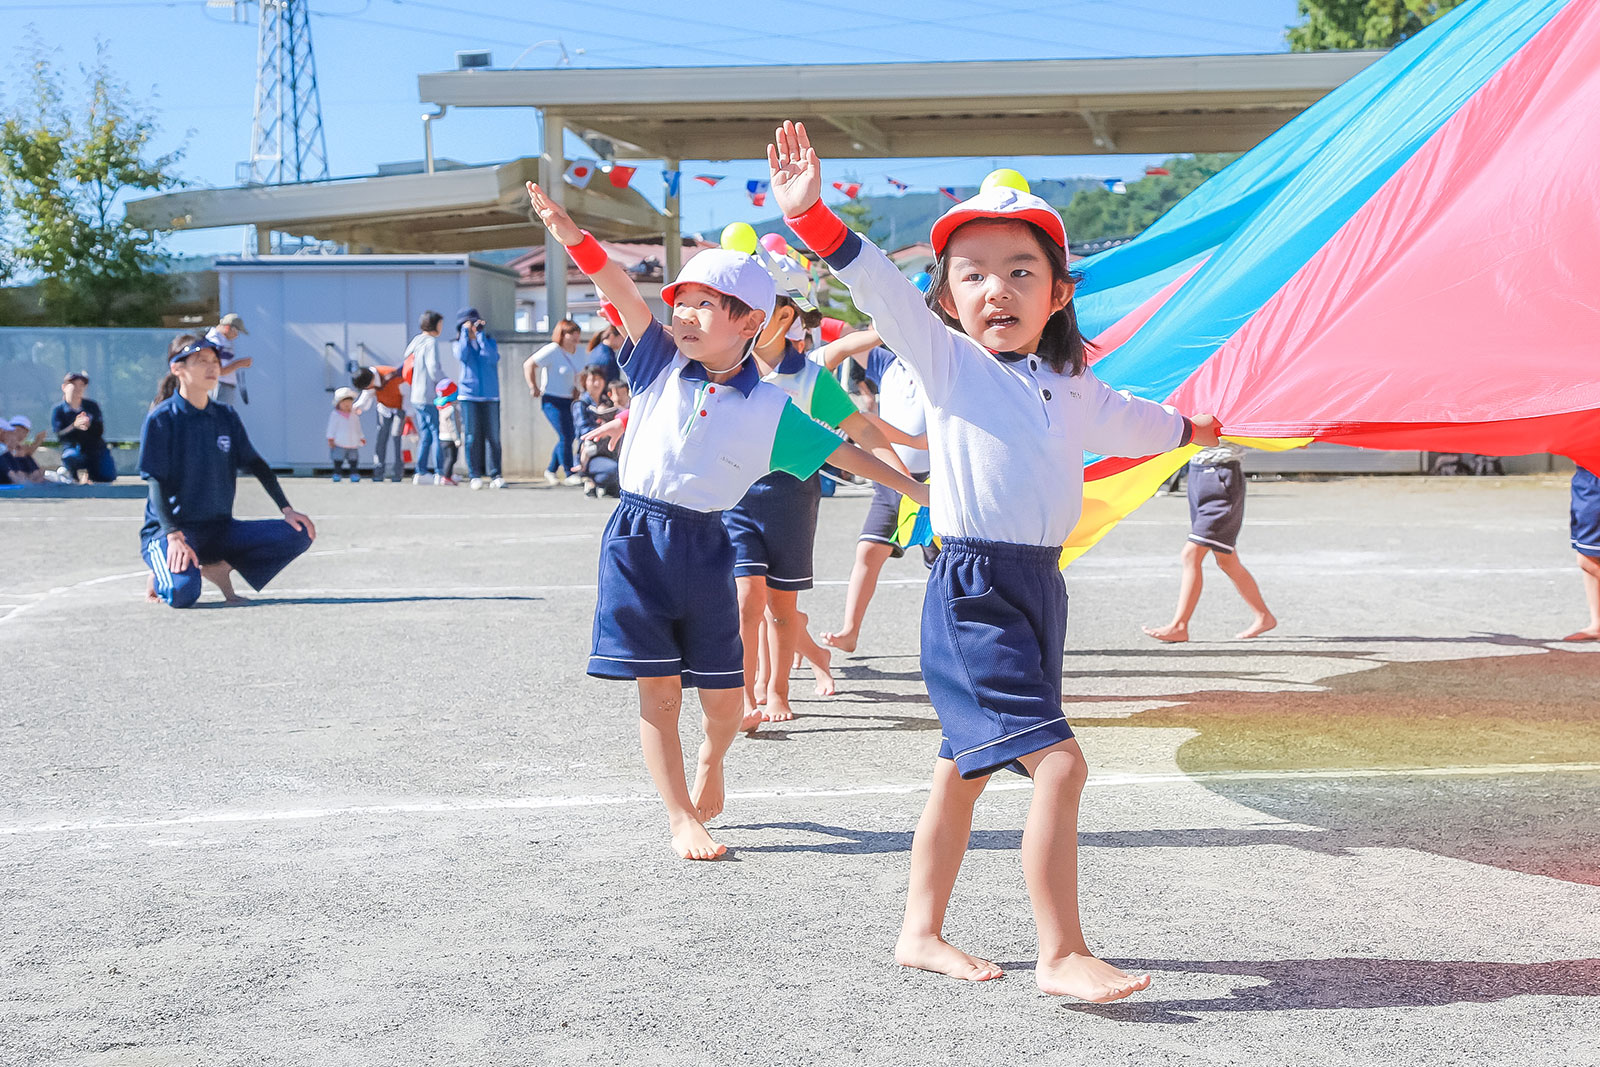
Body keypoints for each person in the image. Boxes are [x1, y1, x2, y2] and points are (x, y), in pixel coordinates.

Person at [773, 121, 1219, 1001]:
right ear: (946, 298)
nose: (997, 289)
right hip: (971, 588)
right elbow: (880, 292)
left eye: (1021, 271)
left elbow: (1141, 421)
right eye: (971, 273)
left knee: (963, 766)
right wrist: (815, 220)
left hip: (1036, 589)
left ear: (1059, 292)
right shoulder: (948, 364)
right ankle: (1061, 954)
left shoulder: (1075, 388)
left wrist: (1194, 430)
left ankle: (919, 931)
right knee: (1061, 764)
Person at [527, 179, 930, 862]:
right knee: (656, 692)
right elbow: (620, 288)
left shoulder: (769, 409)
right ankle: (680, 815)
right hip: (636, 540)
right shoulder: (656, 359)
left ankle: (713, 758)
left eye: (704, 305)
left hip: (705, 544)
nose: (682, 314)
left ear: (751, 322)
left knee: (722, 706)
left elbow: (848, 452)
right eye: (680, 301)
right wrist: (571, 235)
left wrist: (917, 489)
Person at [726, 281, 912, 731]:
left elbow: (863, 431)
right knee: (746, 601)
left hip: (792, 499)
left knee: (782, 609)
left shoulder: (811, 376)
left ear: (785, 318)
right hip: (735, 497)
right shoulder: (727, 366)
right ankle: (746, 694)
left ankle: (778, 690)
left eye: (759, 312)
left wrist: (904, 480)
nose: (746, 321)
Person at [138, 336, 316, 608]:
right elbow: (156, 481)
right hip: (173, 532)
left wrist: (287, 509)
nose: (212, 367)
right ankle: (161, 572)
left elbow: (256, 464)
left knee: (299, 533)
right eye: (201, 362)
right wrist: (172, 535)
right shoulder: (162, 419)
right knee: (182, 594)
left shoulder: (225, 416)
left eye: (214, 361)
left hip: (219, 530)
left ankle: (219, 565)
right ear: (178, 369)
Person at [814, 331, 939, 654]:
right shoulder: (886, 361)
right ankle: (850, 632)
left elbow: (933, 435)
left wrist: (900, 437)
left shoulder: (942, 364)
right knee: (868, 551)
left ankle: (953, 636)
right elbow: (839, 332)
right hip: (891, 479)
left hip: (936, 481)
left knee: (944, 564)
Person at [1142, 443, 1277, 642]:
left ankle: (1179, 626)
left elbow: (1253, 421)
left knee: (1191, 555)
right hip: (1197, 473)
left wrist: (1293, 439)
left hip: (1222, 475)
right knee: (1226, 559)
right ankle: (1264, 616)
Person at [525, 318, 584, 486]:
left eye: (576, 332)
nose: (574, 336)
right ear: (561, 334)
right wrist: (533, 386)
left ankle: (551, 470)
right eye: (570, 333)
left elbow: (581, 374)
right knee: (565, 435)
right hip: (552, 399)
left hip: (571, 400)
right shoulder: (553, 350)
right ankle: (568, 471)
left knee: (569, 435)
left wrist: (577, 388)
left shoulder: (579, 352)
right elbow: (529, 365)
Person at [455, 306, 503, 489]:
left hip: (491, 395)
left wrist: (481, 336)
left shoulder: (489, 341)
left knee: (494, 437)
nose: (474, 326)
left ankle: (496, 474)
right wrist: (466, 335)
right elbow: (463, 356)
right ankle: (474, 474)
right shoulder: (458, 343)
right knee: (471, 436)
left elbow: (491, 358)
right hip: (468, 396)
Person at [52, 371, 117, 483]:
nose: (78, 389)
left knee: (107, 476)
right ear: (64, 387)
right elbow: (60, 436)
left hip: (95, 449)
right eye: (73, 385)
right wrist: (74, 426)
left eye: (81, 385)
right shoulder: (58, 410)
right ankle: (73, 474)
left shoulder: (92, 406)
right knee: (70, 457)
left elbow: (99, 431)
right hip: (73, 449)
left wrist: (89, 425)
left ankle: (91, 473)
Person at [405, 310, 447, 485]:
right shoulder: (431, 342)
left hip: (416, 395)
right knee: (437, 433)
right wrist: (445, 383)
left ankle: (420, 472)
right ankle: (440, 472)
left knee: (426, 434)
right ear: (434, 324)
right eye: (440, 324)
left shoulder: (416, 341)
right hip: (428, 395)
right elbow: (433, 368)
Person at [350, 364, 407, 483]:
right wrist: (356, 407)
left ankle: (398, 472)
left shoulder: (392, 375)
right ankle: (378, 472)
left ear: (370, 381)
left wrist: (409, 413)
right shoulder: (369, 380)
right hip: (383, 408)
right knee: (381, 438)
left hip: (400, 409)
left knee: (397, 438)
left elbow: (406, 393)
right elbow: (367, 395)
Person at [573, 364, 621, 498]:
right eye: (592, 379)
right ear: (584, 382)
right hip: (592, 454)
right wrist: (604, 429)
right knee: (614, 470)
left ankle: (607, 486)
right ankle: (590, 479)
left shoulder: (608, 401)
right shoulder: (581, 404)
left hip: (610, 451)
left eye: (599, 379)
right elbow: (584, 431)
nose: (596, 383)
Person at [1565, 465, 1600, 641]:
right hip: (1585, 478)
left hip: (1595, 479)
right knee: (1590, 556)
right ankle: (1598, 624)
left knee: (1587, 559)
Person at [206, 313, 252, 408]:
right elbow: (219, 370)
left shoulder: (223, 340)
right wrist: (240, 363)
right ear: (227, 328)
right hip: (219, 386)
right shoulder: (214, 341)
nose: (236, 336)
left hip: (224, 386)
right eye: (236, 332)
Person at [326, 387, 365, 482]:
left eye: (349, 403)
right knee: (338, 459)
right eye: (344, 404)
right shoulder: (335, 415)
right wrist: (330, 438)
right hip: (339, 441)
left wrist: (361, 437)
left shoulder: (354, 415)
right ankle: (337, 473)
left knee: (353, 459)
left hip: (353, 442)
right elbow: (331, 427)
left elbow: (358, 427)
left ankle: (354, 473)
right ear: (338, 404)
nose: (347, 406)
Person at [1, 418, 48, 484]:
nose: (26, 435)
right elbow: (16, 478)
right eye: (8, 432)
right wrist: (38, 441)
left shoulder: (7, 452)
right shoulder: (4, 452)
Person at [434, 379, 462, 486]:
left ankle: (448, 475)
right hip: (451, 438)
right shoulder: (451, 409)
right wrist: (457, 439)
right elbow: (453, 426)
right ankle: (446, 477)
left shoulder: (441, 407)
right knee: (452, 458)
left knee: (447, 458)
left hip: (442, 437)